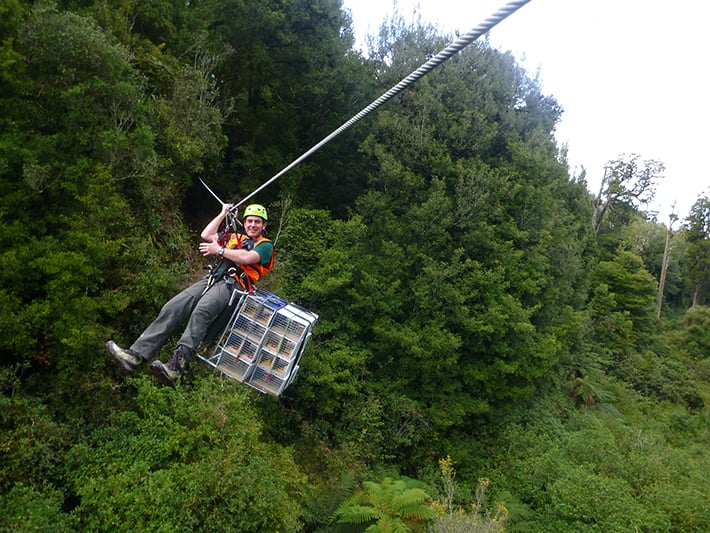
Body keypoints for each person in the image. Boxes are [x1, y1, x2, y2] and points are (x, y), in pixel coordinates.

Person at [106, 203, 274, 386]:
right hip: (212, 278)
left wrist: (219, 250)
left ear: (263, 226)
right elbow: (206, 235)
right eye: (249, 221)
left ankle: (177, 364)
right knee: (174, 306)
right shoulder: (235, 237)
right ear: (244, 222)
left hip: (233, 286)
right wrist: (222, 213)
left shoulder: (265, 246)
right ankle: (136, 355)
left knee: (202, 310)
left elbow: (246, 258)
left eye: (257, 222)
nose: (252, 225)